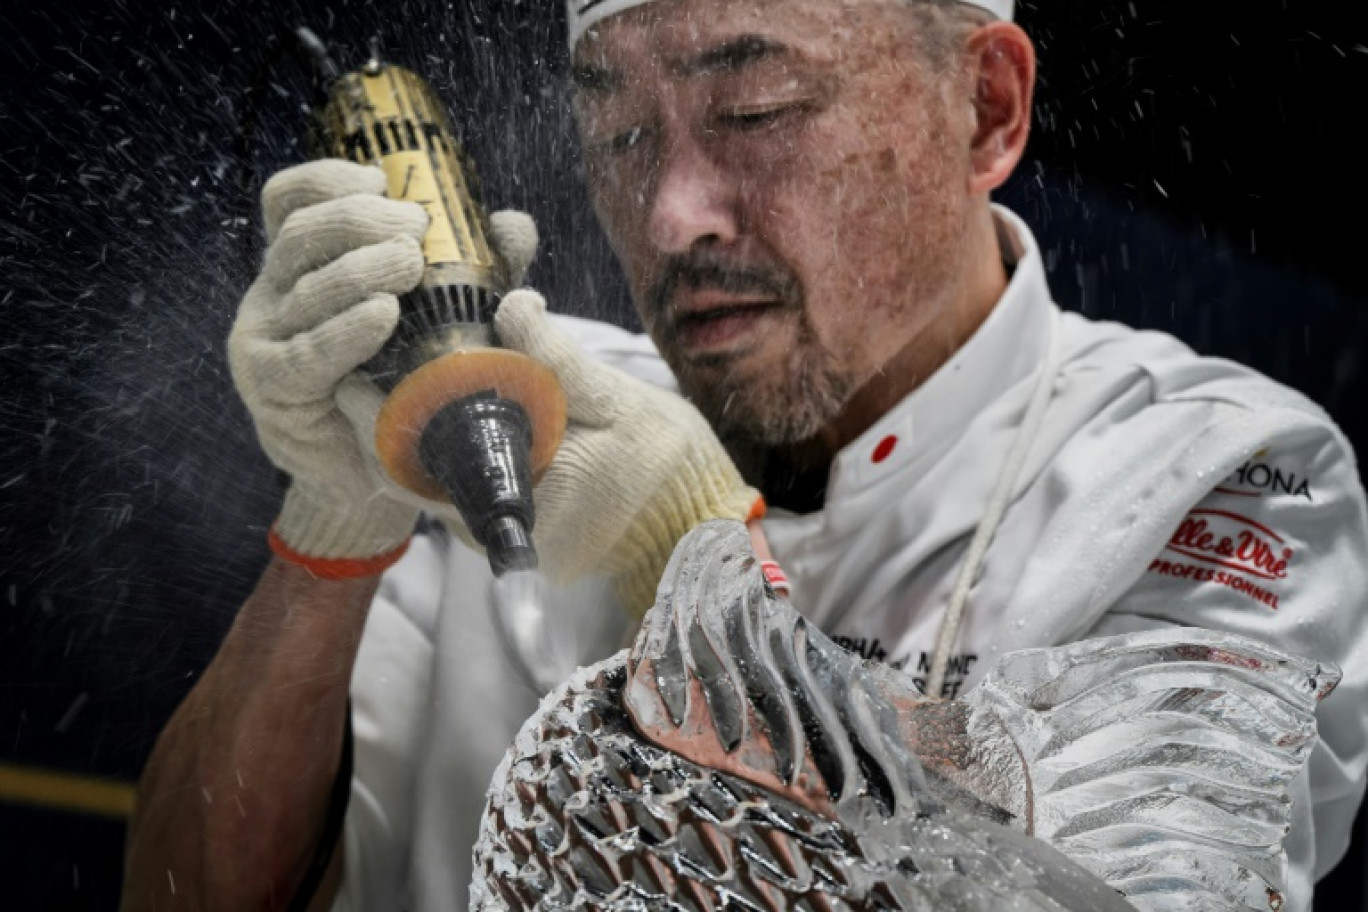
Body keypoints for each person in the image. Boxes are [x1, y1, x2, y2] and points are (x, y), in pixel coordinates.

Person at [121, 0, 1368, 909]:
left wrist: (689, 548)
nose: (671, 215)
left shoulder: (1215, 467)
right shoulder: (526, 407)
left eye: (757, 112)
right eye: (618, 133)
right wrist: (335, 530)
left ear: (983, 108)